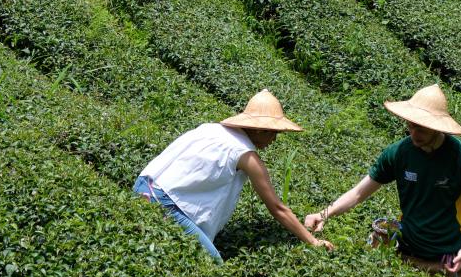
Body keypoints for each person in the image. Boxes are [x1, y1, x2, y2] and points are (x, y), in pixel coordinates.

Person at [305, 84, 461, 277]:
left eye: (420, 129)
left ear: (437, 128)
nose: (413, 134)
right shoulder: (400, 153)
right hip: (407, 248)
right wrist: (325, 213)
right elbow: (359, 192)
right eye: (410, 126)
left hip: (447, 256)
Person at [135, 90, 336, 262]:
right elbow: (277, 208)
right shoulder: (247, 156)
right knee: (213, 267)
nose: (274, 139)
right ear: (259, 129)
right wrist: (313, 242)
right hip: (167, 204)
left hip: (144, 186)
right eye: (273, 133)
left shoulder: (209, 129)